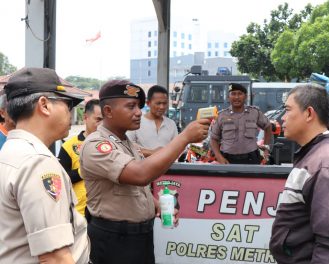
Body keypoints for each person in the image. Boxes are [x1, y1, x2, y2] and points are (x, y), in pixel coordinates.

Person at [80, 79, 210, 264]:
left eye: (139, 107)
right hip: (114, 239)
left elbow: (132, 188)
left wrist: (154, 204)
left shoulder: (127, 144)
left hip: (139, 238)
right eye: (131, 107)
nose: (138, 113)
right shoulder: (97, 145)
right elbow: (140, 175)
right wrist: (184, 137)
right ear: (108, 111)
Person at [0, 67, 90, 263]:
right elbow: (55, 256)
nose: (69, 112)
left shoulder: (10, 151)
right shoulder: (37, 161)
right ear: (44, 105)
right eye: (68, 105)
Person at [269, 84, 329, 263]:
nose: (283, 118)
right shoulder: (316, 155)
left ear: (309, 113)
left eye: (288, 110)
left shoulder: (326, 164)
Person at [58, 99, 102, 216]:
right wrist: (84, 171)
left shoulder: (112, 145)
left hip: (106, 213)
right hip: (80, 213)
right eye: (98, 119)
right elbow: (61, 178)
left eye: (104, 120)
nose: (101, 124)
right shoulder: (69, 146)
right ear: (85, 117)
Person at [210, 83, 272, 164]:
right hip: (227, 159)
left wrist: (266, 148)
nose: (236, 97)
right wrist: (219, 157)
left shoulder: (254, 113)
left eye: (240, 94)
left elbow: (268, 126)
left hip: (251, 159)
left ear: (245, 97)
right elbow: (214, 138)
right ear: (228, 97)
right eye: (233, 94)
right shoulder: (221, 116)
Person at [127, 85, 178, 157]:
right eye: (158, 103)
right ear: (148, 103)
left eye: (165, 103)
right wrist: (151, 152)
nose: (162, 107)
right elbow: (127, 146)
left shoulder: (171, 124)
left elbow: (176, 148)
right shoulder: (136, 122)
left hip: (168, 167)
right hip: (142, 166)